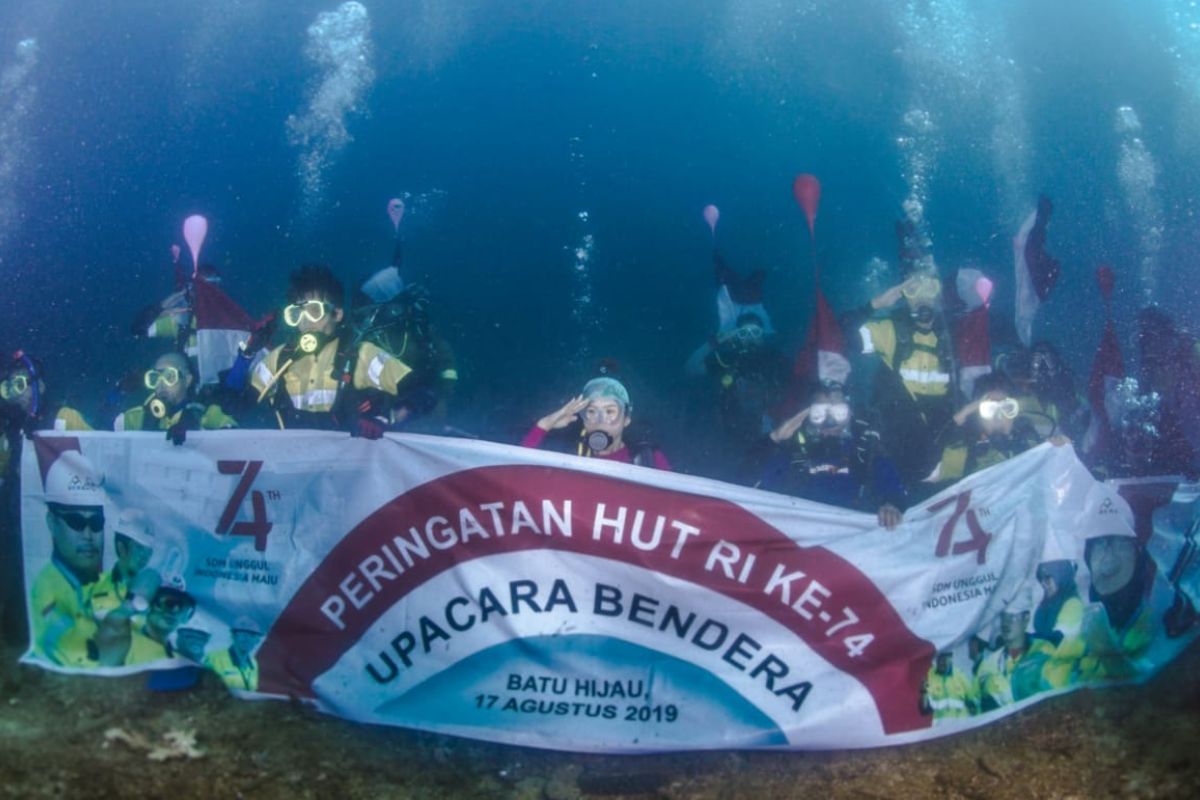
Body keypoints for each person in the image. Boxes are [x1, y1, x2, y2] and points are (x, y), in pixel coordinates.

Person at [244, 264, 413, 436]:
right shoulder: (280, 358)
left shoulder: (360, 354)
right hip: (292, 459)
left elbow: (419, 392)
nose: (305, 322)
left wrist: (386, 419)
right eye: (297, 314)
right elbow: (241, 402)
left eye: (314, 311)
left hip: (348, 460)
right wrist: (247, 353)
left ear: (337, 314)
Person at [845, 271, 957, 486]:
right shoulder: (891, 331)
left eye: (930, 288)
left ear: (939, 294)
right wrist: (875, 304)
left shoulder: (954, 335)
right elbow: (844, 332)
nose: (922, 297)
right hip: (900, 438)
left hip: (942, 437)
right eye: (912, 289)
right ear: (903, 295)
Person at [756, 380, 906, 528]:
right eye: (818, 413)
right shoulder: (794, 451)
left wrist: (892, 505)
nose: (829, 421)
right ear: (807, 415)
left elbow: (893, 487)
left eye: (838, 412)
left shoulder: (866, 449)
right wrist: (774, 438)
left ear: (849, 413)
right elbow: (745, 491)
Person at [29, 454, 107, 666]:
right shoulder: (47, 591)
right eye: (75, 522)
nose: (88, 534)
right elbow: (69, 654)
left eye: (96, 522)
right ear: (52, 523)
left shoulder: (97, 581)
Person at [923, 372, 1049, 488]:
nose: (998, 417)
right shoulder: (964, 452)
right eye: (990, 409)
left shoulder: (1030, 444)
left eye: (1007, 408)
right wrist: (959, 418)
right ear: (978, 414)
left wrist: (1058, 447)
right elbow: (926, 473)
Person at [523, 377, 671, 469]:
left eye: (610, 412)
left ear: (626, 419)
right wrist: (544, 425)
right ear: (582, 417)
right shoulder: (568, 455)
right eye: (591, 412)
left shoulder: (648, 459)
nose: (600, 421)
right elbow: (516, 472)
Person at [114, 351, 237, 443]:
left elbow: (237, 440)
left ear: (187, 380)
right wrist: (117, 392)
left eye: (170, 377)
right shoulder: (137, 417)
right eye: (155, 378)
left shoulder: (208, 415)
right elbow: (101, 434)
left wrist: (197, 437)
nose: (161, 386)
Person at [974, 592, 1050, 710]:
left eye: (1012, 616)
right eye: (1003, 616)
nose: (1006, 623)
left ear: (1026, 619)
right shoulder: (987, 666)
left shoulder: (1045, 651)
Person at [1030, 559, 1086, 690]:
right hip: (1044, 680)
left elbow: (1057, 639)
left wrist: (1026, 641)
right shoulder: (1045, 607)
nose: (1044, 583)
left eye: (1048, 578)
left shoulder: (1073, 604)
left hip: (1065, 682)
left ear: (1061, 574)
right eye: (1041, 579)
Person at [203, 617, 263, 691]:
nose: (247, 639)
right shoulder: (214, 658)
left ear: (257, 641)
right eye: (242, 634)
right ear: (233, 636)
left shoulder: (254, 664)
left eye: (252, 636)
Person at [921, 650, 977, 720]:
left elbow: (973, 701)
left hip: (961, 724)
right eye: (939, 659)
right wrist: (923, 691)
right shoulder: (929, 675)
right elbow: (924, 708)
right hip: (941, 726)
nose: (941, 663)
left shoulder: (960, 675)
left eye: (945, 660)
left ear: (950, 659)